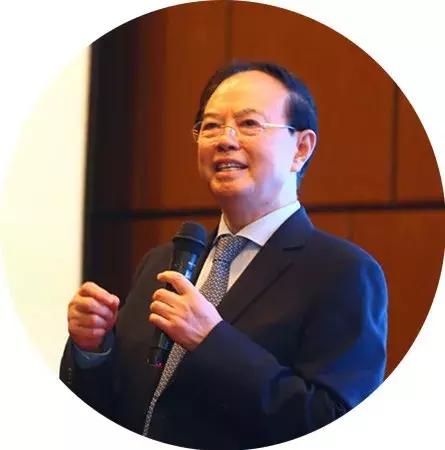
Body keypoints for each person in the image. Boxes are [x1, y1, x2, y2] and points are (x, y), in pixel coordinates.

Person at [60, 61, 388, 449]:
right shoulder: (161, 264)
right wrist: (92, 350)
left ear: (300, 148)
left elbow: (332, 422)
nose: (225, 140)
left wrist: (212, 342)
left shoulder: (343, 273)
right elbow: (121, 407)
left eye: (249, 124)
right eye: (211, 126)